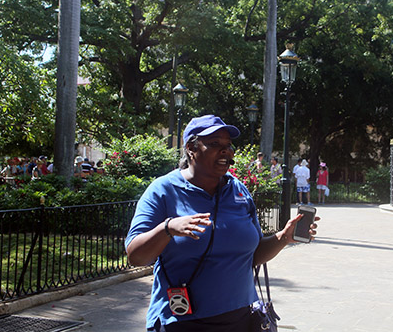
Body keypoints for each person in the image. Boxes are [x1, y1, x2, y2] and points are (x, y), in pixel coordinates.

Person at [125, 114, 319, 332]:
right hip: (181, 321)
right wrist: (167, 228)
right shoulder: (163, 190)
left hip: (239, 319)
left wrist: (284, 237)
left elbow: (252, 256)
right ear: (191, 147)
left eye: (228, 145)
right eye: (215, 144)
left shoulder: (238, 190)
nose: (226, 151)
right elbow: (135, 256)